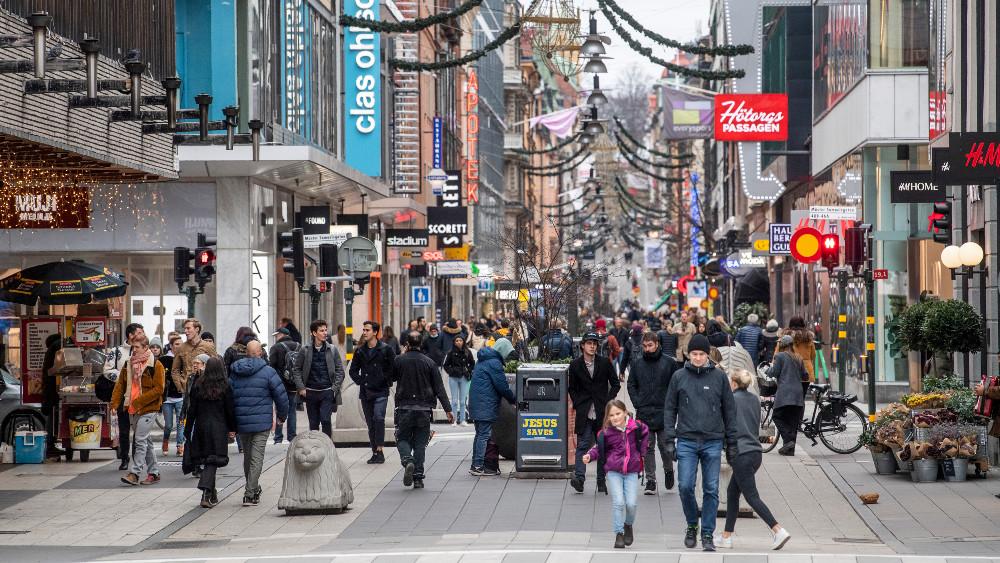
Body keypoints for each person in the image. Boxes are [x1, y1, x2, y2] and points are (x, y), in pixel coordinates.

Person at [663, 333, 738, 552]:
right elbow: (670, 409)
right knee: (685, 486)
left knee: (711, 489)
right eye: (694, 354)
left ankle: (707, 533)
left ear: (708, 355)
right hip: (686, 439)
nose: (697, 358)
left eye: (701, 354)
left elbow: (730, 411)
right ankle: (691, 525)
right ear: (689, 354)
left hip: (712, 440)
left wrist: (732, 442)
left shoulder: (719, 378)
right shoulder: (679, 377)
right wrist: (670, 439)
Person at [715, 368, 791, 550]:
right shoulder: (754, 399)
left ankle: (778, 530)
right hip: (755, 453)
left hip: (741, 454)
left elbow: (726, 426)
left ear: (734, 383)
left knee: (751, 496)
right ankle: (726, 536)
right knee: (732, 493)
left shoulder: (731, 400)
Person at [581, 399, 649, 549]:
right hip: (614, 471)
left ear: (625, 413)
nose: (615, 417)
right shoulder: (607, 432)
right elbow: (599, 448)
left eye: (618, 413)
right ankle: (619, 534)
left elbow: (645, 432)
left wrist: (641, 453)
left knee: (631, 504)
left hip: (631, 471)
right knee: (618, 502)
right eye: (612, 415)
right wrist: (590, 456)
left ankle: (628, 525)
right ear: (608, 417)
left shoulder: (635, 426)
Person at [229, 340, 288, 506]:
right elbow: (281, 396)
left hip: (242, 421)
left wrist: (230, 422)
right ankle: (250, 494)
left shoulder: (236, 372)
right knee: (257, 457)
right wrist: (282, 416)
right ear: (261, 353)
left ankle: (253, 489)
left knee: (248, 457)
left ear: (246, 353)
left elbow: (228, 397)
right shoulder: (268, 372)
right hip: (262, 422)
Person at [393, 331, 454, 488]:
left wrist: (401, 356)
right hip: (424, 408)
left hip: (404, 406)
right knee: (420, 443)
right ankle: (418, 477)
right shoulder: (429, 362)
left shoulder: (399, 360)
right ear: (421, 344)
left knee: (402, 438)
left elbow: (390, 378)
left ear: (407, 343)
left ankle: (408, 460)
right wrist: (448, 409)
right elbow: (439, 388)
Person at [626, 331, 680, 495]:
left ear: (657, 344)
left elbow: (676, 386)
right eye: (645, 346)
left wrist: (672, 405)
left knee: (665, 446)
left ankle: (668, 470)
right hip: (644, 411)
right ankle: (651, 480)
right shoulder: (638, 363)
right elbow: (631, 384)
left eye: (650, 345)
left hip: (664, 411)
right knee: (647, 447)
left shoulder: (669, 363)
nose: (647, 349)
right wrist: (637, 402)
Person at [568, 332, 622, 494]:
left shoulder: (604, 363)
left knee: (602, 446)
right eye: (589, 343)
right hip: (584, 411)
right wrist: (578, 402)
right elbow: (572, 388)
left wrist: (608, 400)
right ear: (582, 345)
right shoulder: (575, 365)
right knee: (582, 445)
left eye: (594, 344)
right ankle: (579, 478)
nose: (592, 346)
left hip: (601, 412)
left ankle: (601, 481)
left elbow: (615, 383)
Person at [110, 335, 165, 486]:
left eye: (137, 347)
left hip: (149, 408)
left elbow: (159, 389)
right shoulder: (129, 363)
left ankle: (135, 473)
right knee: (146, 441)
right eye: (133, 347)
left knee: (140, 440)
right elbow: (120, 385)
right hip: (132, 408)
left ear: (146, 348)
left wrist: (139, 401)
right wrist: (114, 404)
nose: (134, 350)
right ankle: (154, 473)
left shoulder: (156, 364)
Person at [183, 357, 236, 509]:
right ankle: (206, 492)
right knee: (213, 460)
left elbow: (192, 409)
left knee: (208, 459)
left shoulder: (199, 385)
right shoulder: (225, 387)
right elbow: (230, 410)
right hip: (218, 428)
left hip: (201, 426)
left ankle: (212, 494)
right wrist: (233, 428)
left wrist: (188, 429)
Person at [348, 320, 396, 463]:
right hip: (366, 391)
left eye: (367, 330)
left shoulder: (386, 349)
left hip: (381, 390)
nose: (364, 332)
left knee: (378, 418)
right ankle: (375, 451)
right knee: (370, 423)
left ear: (375, 332)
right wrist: (361, 381)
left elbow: (393, 369)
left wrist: (385, 380)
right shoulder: (360, 351)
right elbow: (353, 370)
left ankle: (379, 450)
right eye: (363, 330)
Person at [468, 338, 517, 475]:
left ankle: (475, 464)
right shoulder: (494, 363)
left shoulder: (483, 360)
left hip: (477, 403)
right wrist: (513, 399)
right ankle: (478, 466)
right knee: (484, 435)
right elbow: (502, 385)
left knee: (479, 434)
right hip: (485, 404)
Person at [292, 319, 346, 440]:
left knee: (326, 419)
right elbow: (297, 369)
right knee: (313, 424)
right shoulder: (305, 350)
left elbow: (340, 371)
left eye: (325, 330)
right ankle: (315, 446)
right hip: (310, 392)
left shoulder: (332, 349)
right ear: (314, 333)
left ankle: (327, 445)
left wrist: (334, 389)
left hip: (327, 391)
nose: (325, 333)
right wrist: (301, 388)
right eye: (321, 331)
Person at [104, 323, 146, 470]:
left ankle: (136, 457)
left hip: (139, 396)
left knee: (138, 429)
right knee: (123, 429)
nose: (142, 335)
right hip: (123, 395)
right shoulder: (117, 352)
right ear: (131, 335)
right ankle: (124, 457)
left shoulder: (144, 351)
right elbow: (107, 370)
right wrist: (124, 377)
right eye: (139, 332)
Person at [767, 335, 808, 456]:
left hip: (785, 393)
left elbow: (774, 372)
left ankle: (788, 439)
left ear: (783, 345)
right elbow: (805, 376)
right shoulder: (799, 357)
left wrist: (767, 371)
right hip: (797, 394)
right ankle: (789, 449)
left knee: (777, 416)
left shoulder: (779, 356)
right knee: (793, 421)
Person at [269, 327, 301, 444]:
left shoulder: (276, 347)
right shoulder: (298, 346)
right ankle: (292, 436)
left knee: (279, 409)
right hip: (294, 384)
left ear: (281, 335)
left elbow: (271, 367)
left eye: (277, 336)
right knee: (292, 411)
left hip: (280, 385)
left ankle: (278, 437)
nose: (276, 338)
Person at [159, 335, 185, 457]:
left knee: (181, 423)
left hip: (180, 396)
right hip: (167, 398)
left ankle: (180, 446)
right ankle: (165, 441)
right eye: (177, 344)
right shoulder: (164, 360)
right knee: (168, 425)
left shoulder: (184, 359)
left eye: (181, 344)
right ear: (171, 346)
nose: (179, 347)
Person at [443, 335, 475, 427]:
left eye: (460, 340)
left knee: (462, 400)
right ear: (454, 342)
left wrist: (468, 370)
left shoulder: (467, 352)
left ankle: (463, 420)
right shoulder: (451, 352)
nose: (458, 342)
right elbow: (446, 365)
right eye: (457, 341)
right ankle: (454, 420)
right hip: (453, 377)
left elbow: (472, 363)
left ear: (463, 341)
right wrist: (452, 371)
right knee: (454, 400)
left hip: (464, 377)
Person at [783, 316, 817, 385]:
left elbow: (777, 354)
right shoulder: (808, 338)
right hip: (806, 371)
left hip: (789, 371)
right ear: (803, 325)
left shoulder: (784, 338)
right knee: (803, 391)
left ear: (790, 325)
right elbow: (813, 355)